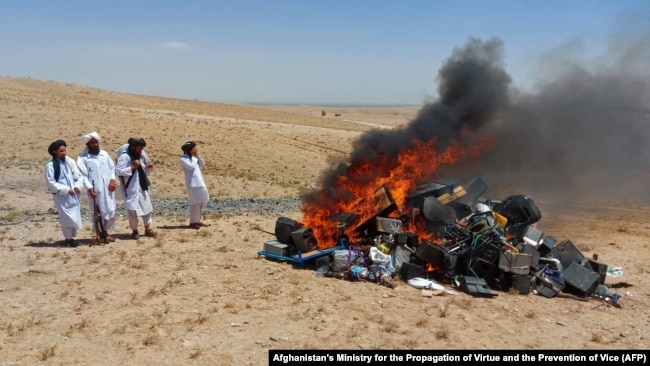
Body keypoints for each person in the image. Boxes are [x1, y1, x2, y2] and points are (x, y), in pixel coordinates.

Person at [76, 132, 117, 243]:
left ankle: (106, 232)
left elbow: (112, 168)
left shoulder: (104, 154)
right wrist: (90, 188)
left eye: (96, 142)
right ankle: (99, 234)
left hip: (108, 188)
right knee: (98, 212)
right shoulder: (83, 158)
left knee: (110, 210)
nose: (94, 144)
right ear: (88, 145)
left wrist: (113, 180)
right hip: (95, 190)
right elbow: (83, 176)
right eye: (92, 143)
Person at [45, 139, 83, 247]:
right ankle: (68, 239)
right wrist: (66, 189)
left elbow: (79, 176)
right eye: (61, 151)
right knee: (65, 217)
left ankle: (71, 238)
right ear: (54, 152)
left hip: (74, 195)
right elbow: (51, 182)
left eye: (65, 151)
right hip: (61, 197)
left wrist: (77, 187)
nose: (64, 153)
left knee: (74, 217)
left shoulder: (70, 161)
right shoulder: (50, 166)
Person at [115, 138, 155, 239]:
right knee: (132, 209)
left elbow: (143, 167)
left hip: (142, 184)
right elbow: (118, 171)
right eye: (140, 147)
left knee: (146, 206)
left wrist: (148, 166)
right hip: (131, 187)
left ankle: (147, 228)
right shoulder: (125, 156)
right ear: (133, 147)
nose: (141, 149)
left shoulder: (140, 154)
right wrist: (132, 167)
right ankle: (135, 230)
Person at [180, 141, 210, 229]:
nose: (195, 150)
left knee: (200, 202)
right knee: (195, 203)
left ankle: (197, 220)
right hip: (192, 185)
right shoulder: (183, 159)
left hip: (199, 183)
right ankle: (192, 222)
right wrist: (193, 157)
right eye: (193, 149)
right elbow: (192, 166)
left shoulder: (194, 158)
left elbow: (202, 164)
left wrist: (197, 156)